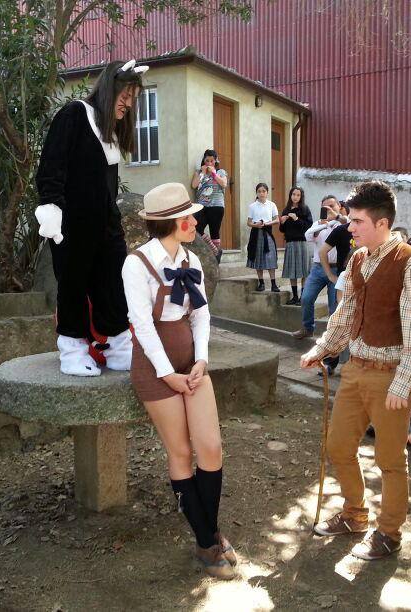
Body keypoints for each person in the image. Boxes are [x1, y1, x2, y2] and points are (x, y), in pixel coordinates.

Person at [299, 180, 411, 560]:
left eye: (357, 221)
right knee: (339, 446)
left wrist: (404, 382)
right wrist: (322, 349)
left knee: (390, 461)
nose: (350, 228)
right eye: (350, 220)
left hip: (392, 374)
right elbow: (345, 315)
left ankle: (389, 532)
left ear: (382, 223)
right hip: (356, 369)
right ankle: (354, 515)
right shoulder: (359, 259)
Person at [121, 182, 236, 580]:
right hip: (155, 366)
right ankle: (207, 542)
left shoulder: (193, 259)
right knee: (181, 451)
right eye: (188, 216)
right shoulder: (136, 264)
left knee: (212, 448)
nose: (195, 220)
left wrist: (201, 360)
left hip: (191, 359)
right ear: (171, 222)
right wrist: (167, 374)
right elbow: (140, 325)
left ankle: (211, 531)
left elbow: (200, 314)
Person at [36, 59, 147, 376]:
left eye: (133, 98)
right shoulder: (75, 114)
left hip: (106, 228)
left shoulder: (109, 134)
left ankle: (118, 347)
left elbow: (105, 188)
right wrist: (52, 207)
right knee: (72, 285)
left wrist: (114, 226)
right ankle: (72, 352)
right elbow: (51, 166)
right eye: (125, 95)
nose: (128, 104)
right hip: (72, 225)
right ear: (110, 90)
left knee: (112, 285)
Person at [291, 196, 347, 339]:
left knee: (334, 305)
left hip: (337, 269)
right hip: (318, 268)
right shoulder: (317, 224)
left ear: (339, 206)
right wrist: (324, 225)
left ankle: (332, 335)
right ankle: (307, 328)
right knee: (306, 298)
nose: (328, 209)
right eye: (325, 207)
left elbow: (349, 222)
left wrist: (337, 218)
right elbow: (308, 235)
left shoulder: (345, 223)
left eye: (332, 205)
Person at [191, 149, 228, 263]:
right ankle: (215, 250)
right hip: (202, 205)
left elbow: (224, 184)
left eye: (212, 161)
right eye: (207, 160)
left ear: (215, 161)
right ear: (204, 161)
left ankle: (215, 257)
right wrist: (202, 173)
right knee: (196, 228)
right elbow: (194, 185)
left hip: (217, 206)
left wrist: (213, 173)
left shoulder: (221, 172)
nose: (209, 163)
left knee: (214, 232)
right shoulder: (199, 172)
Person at [279, 186, 314, 305]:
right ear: (290, 195)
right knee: (292, 271)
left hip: (302, 242)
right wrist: (282, 222)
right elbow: (282, 229)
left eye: (298, 195)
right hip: (290, 243)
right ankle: (294, 296)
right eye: (293, 194)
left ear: (301, 197)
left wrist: (297, 219)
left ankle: (302, 297)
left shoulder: (304, 209)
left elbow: (309, 226)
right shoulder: (286, 209)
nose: (295, 197)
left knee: (304, 271)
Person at [246, 183, 280, 292]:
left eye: (263, 191)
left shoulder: (272, 205)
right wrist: (255, 225)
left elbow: (277, 220)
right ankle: (261, 283)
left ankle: (274, 284)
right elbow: (249, 222)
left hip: (267, 233)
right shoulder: (252, 206)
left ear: (267, 192)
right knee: (258, 258)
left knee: (270, 258)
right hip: (256, 234)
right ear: (256, 193)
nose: (261, 193)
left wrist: (267, 223)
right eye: (259, 191)